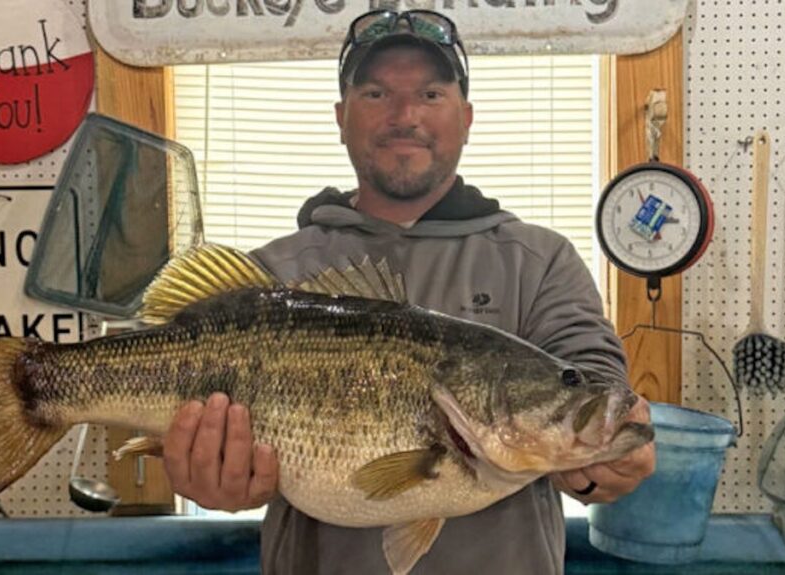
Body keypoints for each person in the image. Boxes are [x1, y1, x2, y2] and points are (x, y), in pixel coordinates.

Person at [160, 9, 656, 574]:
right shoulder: (277, 275)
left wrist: (599, 464)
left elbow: (589, 368)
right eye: (375, 94)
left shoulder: (539, 260)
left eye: (430, 93)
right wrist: (216, 477)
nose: (404, 115)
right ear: (341, 116)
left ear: (466, 117)